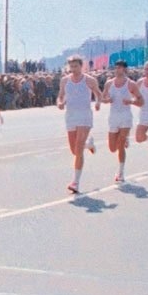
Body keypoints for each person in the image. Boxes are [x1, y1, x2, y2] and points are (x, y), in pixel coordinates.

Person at [57, 55, 102, 194]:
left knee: (78, 147)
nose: (73, 69)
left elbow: (98, 94)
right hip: (71, 116)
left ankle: (75, 182)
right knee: (74, 150)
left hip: (84, 116)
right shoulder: (65, 80)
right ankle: (89, 144)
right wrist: (60, 102)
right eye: (71, 66)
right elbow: (60, 96)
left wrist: (98, 103)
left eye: (76, 66)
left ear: (81, 66)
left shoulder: (89, 80)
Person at [102, 60, 142, 182]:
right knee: (112, 148)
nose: (117, 70)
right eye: (116, 67)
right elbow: (103, 97)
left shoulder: (131, 84)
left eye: (120, 68)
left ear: (125, 69)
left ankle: (120, 172)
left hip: (125, 116)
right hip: (113, 116)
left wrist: (131, 101)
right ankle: (124, 139)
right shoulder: (109, 83)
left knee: (120, 145)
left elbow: (141, 101)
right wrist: (107, 100)